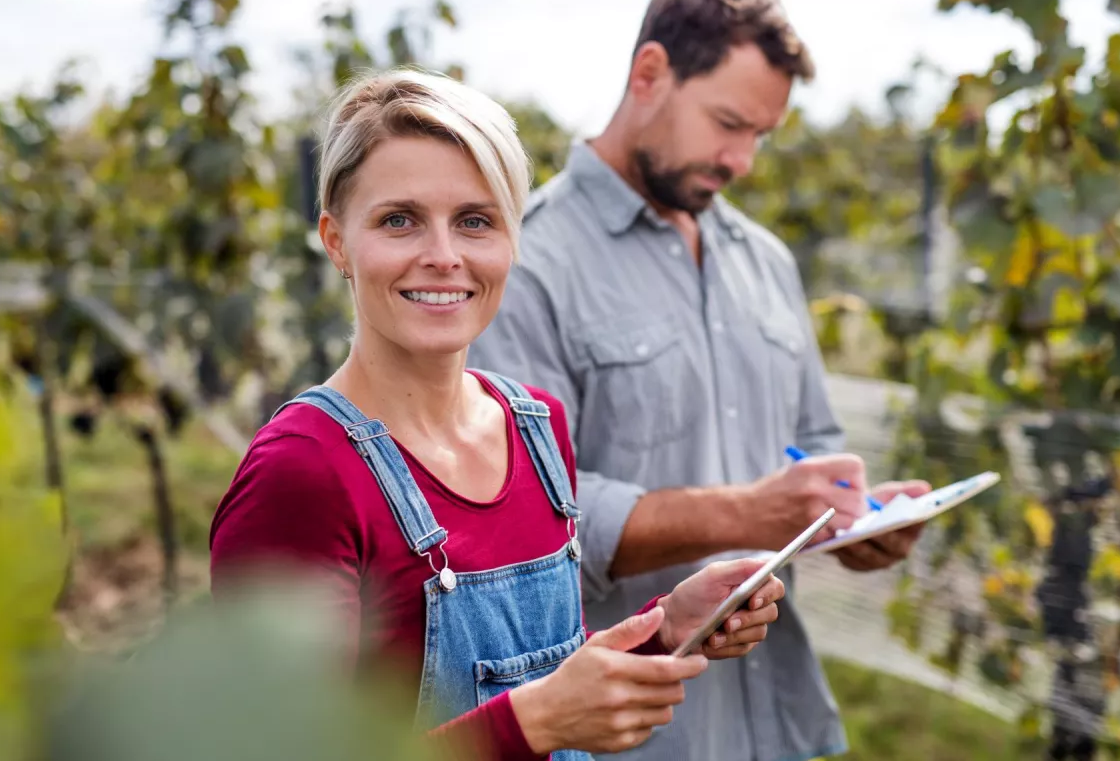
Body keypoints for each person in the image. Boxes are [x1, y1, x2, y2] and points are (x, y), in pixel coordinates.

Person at [208, 68, 793, 761]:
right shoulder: (302, 473)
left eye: (476, 221)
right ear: (337, 241)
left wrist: (665, 627)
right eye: (399, 220)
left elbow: (543, 668)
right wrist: (533, 725)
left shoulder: (536, 428)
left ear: (513, 241)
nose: (443, 256)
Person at [466, 0, 932, 761]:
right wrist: (753, 512)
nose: (743, 159)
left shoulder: (767, 263)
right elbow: (526, 516)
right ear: (649, 74)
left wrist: (852, 519)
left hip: (771, 723)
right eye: (728, 123)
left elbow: (808, 451)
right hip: (635, 731)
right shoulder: (528, 262)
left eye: (760, 135)